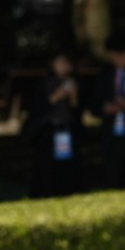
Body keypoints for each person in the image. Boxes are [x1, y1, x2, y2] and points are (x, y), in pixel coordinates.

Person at [25, 50, 82, 198]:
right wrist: (55, 97)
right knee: (47, 165)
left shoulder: (75, 83)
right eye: (60, 63)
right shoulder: (44, 85)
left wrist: (74, 97)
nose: (64, 67)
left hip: (66, 130)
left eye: (67, 64)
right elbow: (38, 108)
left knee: (66, 163)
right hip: (48, 130)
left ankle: (67, 190)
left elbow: (77, 112)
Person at [97, 30, 125, 189]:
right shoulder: (107, 72)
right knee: (114, 180)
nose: (116, 59)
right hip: (113, 136)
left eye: (119, 55)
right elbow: (95, 102)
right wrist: (105, 108)